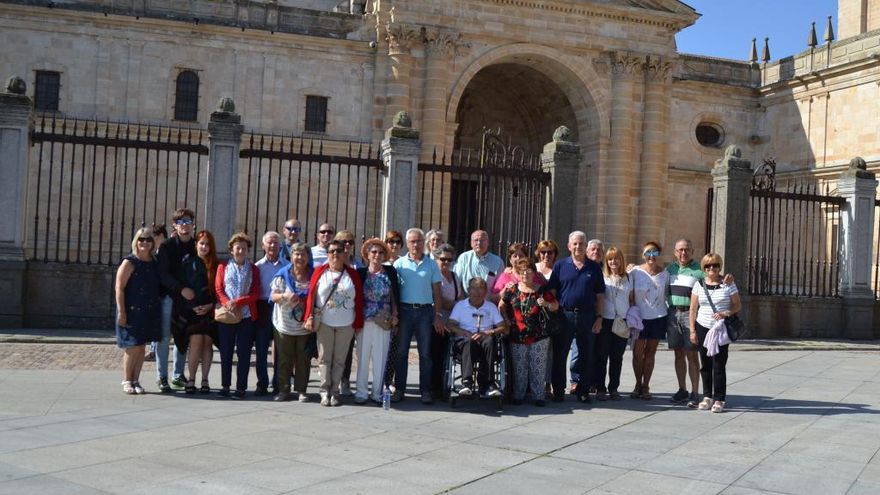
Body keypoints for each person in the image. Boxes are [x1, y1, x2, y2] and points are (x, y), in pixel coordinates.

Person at [303, 240, 364, 407]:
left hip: (346, 323)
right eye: (331, 251)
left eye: (338, 251)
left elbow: (359, 299)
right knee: (324, 358)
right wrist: (308, 316)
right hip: (325, 322)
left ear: (345, 253)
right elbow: (311, 297)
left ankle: (335, 391)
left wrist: (358, 321)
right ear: (327, 254)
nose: (335, 254)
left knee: (340, 360)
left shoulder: (352, 274)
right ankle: (324, 391)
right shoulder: (319, 272)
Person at [546, 231, 605, 403]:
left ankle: (583, 390)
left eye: (581, 243)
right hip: (564, 315)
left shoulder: (594, 268)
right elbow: (552, 292)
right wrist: (552, 309)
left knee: (586, 355)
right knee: (560, 354)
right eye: (575, 244)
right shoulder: (560, 266)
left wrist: (599, 318)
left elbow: (600, 295)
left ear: (586, 246)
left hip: (587, 316)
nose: (578, 247)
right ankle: (558, 391)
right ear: (569, 246)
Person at [391, 228, 444, 404]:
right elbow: (392, 292)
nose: (416, 245)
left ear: (424, 243)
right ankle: (399, 389)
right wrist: (395, 313)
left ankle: (426, 391)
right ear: (407, 243)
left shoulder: (431, 264)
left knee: (426, 354)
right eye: (413, 241)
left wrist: (438, 315)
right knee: (401, 353)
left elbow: (437, 292)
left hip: (425, 312)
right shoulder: (399, 264)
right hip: (405, 311)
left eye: (419, 241)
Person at [499, 258, 558, 406]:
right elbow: (501, 305)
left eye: (529, 271)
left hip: (539, 336)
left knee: (538, 366)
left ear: (534, 273)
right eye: (522, 271)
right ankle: (519, 395)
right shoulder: (512, 289)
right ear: (518, 273)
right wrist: (506, 321)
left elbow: (556, 306)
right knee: (519, 367)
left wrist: (546, 304)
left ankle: (538, 396)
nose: (525, 274)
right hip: (517, 335)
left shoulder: (542, 289)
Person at [689, 253, 741, 413]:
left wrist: (726, 313)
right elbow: (693, 309)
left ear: (720, 266)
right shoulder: (698, 284)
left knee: (719, 364)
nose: (712, 268)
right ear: (704, 268)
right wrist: (692, 330)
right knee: (705, 364)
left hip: (720, 329)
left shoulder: (728, 283)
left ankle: (719, 398)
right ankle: (707, 396)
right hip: (702, 326)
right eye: (708, 266)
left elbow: (737, 305)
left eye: (715, 265)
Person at [114, 227, 161, 394]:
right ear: (136, 241)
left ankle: (136, 380)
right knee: (131, 347)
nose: (145, 243)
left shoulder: (154, 263)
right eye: (141, 239)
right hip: (131, 310)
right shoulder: (130, 262)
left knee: (141, 347)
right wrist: (122, 311)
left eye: (148, 239)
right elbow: (119, 287)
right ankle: (127, 380)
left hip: (148, 310)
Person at [215, 233, 261, 399]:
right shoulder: (223, 267)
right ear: (231, 250)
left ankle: (241, 387)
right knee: (226, 351)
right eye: (237, 248)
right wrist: (227, 302)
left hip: (247, 316)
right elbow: (219, 289)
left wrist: (239, 301)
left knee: (244, 352)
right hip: (228, 315)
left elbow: (256, 293)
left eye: (244, 248)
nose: (240, 251)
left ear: (248, 250)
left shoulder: (254, 269)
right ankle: (225, 385)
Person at [156, 208, 197, 393]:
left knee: (183, 335)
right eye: (181, 222)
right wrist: (181, 289)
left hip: (188, 300)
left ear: (193, 224)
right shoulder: (167, 246)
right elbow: (163, 274)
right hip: (169, 297)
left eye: (188, 221)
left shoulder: (196, 246)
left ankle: (178, 374)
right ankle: (162, 376)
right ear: (175, 226)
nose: (185, 225)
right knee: (164, 337)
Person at [354, 238, 400, 405]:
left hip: (384, 319)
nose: (377, 255)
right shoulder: (360, 273)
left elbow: (395, 295)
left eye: (381, 252)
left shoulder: (390, 272)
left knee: (381, 358)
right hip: (365, 319)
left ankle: (377, 392)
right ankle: (361, 392)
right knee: (363, 356)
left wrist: (396, 314)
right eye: (373, 252)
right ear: (367, 254)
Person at [447, 277, 506, 398]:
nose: (477, 292)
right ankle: (467, 382)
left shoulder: (490, 307)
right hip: (465, 341)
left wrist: (488, 332)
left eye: (480, 288)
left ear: (485, 291)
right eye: (473, 288)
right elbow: (450, 324)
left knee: (490, 341)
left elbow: (502, 327)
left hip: (485, 340)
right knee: (469, 342)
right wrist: (464, 332)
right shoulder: (460, 306)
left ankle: (488, 384)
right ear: (468, 290)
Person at [270, 242, 313, 402]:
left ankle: (302, 390)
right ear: (291, 256)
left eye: (303, 254)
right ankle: (283, 390)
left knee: (303, 358)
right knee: (284, 358)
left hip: (304, 325)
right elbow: (273, 296)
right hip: (284, 324)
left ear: (308, 257)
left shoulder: (313, 274)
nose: (300, 257)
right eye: (296, 254)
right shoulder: (283, 274)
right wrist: (285, 296)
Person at [179, 230, 218, 394]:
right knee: (195, 343)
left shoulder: (216, 265)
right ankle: (192, 378)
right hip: (192, 309)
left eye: (207, 244)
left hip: (209, 310)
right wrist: (193, 306)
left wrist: (210, 306)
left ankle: (205, 379)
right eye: (201, 243)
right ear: (196, 245)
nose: (204, 247)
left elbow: (219, 289)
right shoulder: (188, 262)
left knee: (207, 344)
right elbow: (183, 286)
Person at [666, 238, 704, 408]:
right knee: (678, 354)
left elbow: (713, 282)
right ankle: (682, 389)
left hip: (690, 314)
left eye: (687, 249)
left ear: (692, 251)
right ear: (675, 252)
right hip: (673, 313)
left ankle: (695, 392)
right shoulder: (669, 269)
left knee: (692, 354)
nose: (683, 252)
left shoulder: (699, 271)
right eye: (680, 249)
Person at [630, 241, 669, 401]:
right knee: (637, 353)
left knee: (650, 353)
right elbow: (630, 294)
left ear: (659, 254)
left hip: (658, 317)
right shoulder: (635, 272)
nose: (651, 256)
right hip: (640, 318)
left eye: (654, 253)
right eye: (648, 253)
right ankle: (637, 384)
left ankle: (646, 385)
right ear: (643, 255)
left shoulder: (666, 274)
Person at [593, 246, 632, 401]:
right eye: (610, 259)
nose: (613, 261)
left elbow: (632, 298)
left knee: (617, 357)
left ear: (621, 260)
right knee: (601, 356)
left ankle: (614, 388)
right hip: (605, 320)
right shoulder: (602, 277)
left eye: (616, 258)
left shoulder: (629, 277)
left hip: (621, 322)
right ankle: (600, 388)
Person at [429, 243, 464, 395]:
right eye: (443, 259)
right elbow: (436, 297)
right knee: (435, 354)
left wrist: (456, 306)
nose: (446, 263)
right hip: (437, 320)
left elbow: (461, 296)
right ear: (436, 258)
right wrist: (452, 305)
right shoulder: (434, 275)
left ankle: (444, 385)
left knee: (447, 355)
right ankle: (433, 387)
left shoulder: (455, 276)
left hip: (452, 321)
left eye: (450, 260)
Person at [254, 231, 286, 396]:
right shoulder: (257, 267)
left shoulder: (287, 266)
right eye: (269, 243)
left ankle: (278, 383)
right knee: (261, 348)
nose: (272, 246)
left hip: (280, 308)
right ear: (263, 246)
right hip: (263, 308)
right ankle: (262, 383)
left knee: (280, 349)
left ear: (280, 245)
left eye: (275, 243)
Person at [572, 238, 604, 398]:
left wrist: (599, 316)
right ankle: (576, 381)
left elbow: (600, 296)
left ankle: (591, 383)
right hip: (573, 314)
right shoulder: (572, 265)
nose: (596, 252)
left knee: (594, 352)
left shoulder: (604, 269)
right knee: (577, 352)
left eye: (599, 250)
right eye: (593, 249)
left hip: (593, 315)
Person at [454, 230, 504, 296]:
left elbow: (500, 285)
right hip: (466, 301)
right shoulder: (464, 258)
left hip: (488, 302)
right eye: (476, 240)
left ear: (488, 242)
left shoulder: (498, 261)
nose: (479, 243)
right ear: (471, 243)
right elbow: (456, 280)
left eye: (482, 240)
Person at [146, 223, 168, 361]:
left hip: (164, 293)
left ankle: (154, 351)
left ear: (160, 236)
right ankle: (153, 350)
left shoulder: (165, 250)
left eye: (153, 237)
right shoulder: (158, 251)